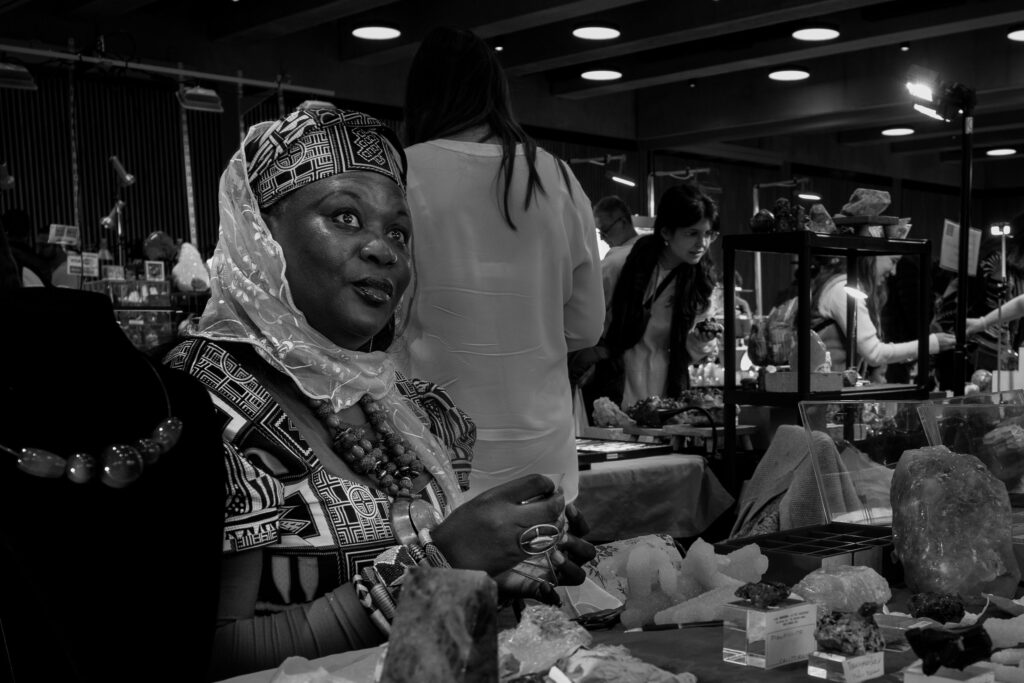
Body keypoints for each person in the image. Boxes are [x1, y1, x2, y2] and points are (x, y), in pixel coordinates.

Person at [164, 105, 594, 678]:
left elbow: (422, 643)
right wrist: (443, 561)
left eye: (398, 231)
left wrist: (493, 575)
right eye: (344, 217)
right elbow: (199, 652)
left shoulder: (398, 405)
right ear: (258, 234)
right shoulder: (198, 406)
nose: (382, 249)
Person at [399, 26, 604, 505]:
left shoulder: (402, 174)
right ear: (496, 91)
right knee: (547, 573)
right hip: (543, 453)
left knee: (442, 578)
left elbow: (378, 318)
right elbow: (587, 327)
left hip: (435, 445)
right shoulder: (554, 175)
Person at [603, 182, 723, 408]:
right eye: (692, 233)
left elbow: (687, 353)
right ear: (666, 231)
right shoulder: (621, 265)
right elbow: (589, 322)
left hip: (666, 396)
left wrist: (699, 341)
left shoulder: (700, 282)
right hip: (614, 386)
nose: (702, 244)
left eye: (709, 234)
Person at [808, 254, 954, 380]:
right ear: (872, 257)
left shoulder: (848, 288)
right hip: (824, 392)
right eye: (893, 261)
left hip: (829, 388)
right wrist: (930, 344)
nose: (894, 272)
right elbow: (874, 354)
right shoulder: (843, 290)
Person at [594, 195, 640, 308]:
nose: (601, 238)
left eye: (604, 231)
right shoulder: (652, 249)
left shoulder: (613, 263)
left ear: (623, 222)